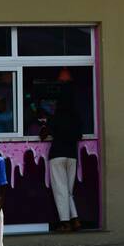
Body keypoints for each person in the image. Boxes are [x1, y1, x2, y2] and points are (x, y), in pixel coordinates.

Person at [39, 84, 83, 232]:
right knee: (68, 191)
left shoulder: (55, 116)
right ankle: (75, 219)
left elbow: (43, 135)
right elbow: (79, 135)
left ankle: (65, 223)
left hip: (57, 155)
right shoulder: (76, 117)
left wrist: (45, 124)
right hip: (72, 156)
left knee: (60, 190)